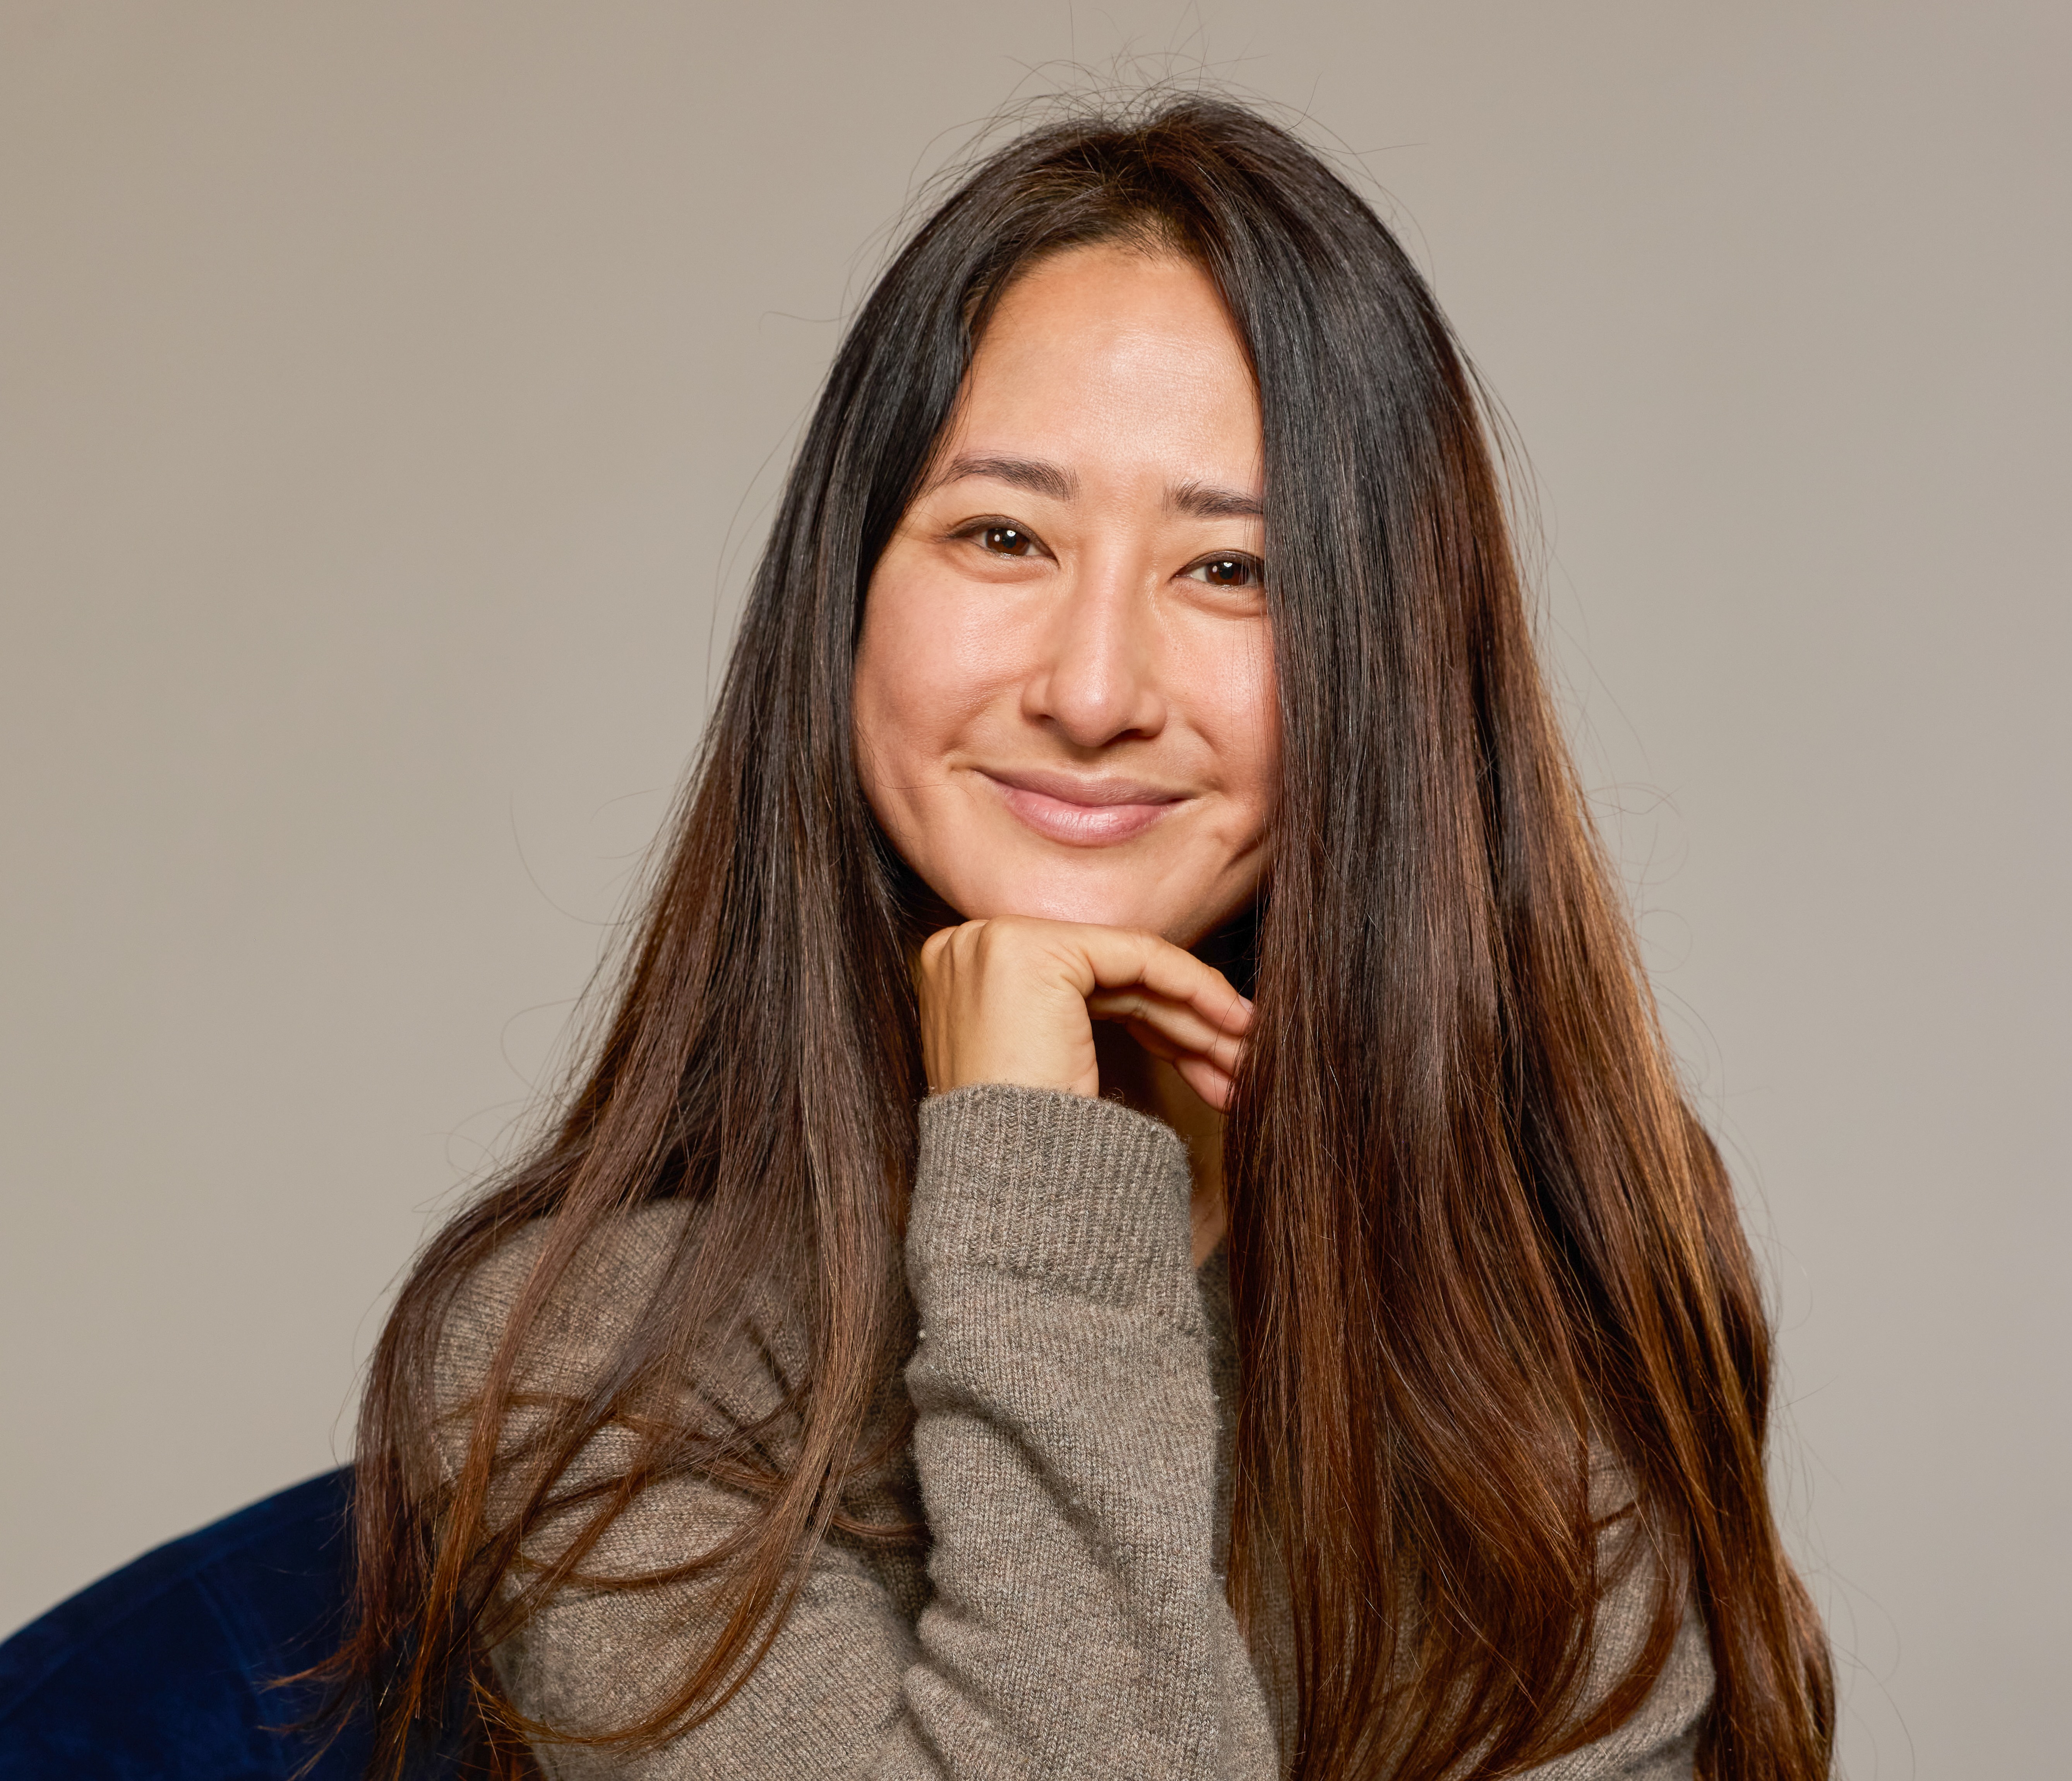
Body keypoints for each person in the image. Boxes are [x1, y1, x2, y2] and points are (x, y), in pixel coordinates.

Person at [323, 95, 1834, 1779]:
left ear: (1390, 660)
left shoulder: (1536, 1268)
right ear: (843, 597)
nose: (1095, 690)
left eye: (1233, 570)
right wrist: (1039, 1167)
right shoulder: (597, 1351)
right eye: (1001, 535)